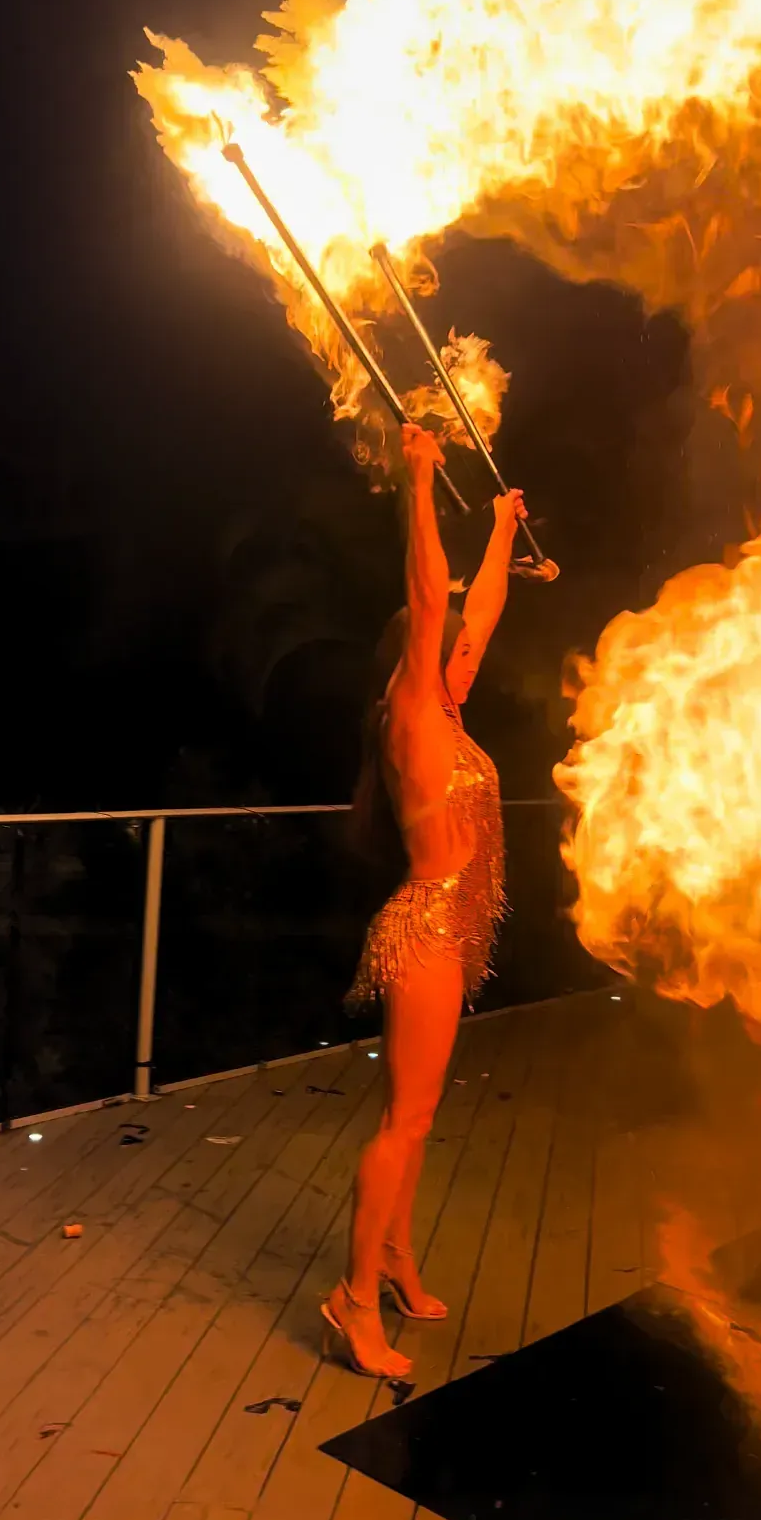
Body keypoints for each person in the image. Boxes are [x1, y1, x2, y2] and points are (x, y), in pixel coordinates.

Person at [321, 422, 527, 1378]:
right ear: (415, 651)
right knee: (404, 1120)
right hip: (428, 928)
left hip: (454, 929)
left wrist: (499, 526)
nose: (461, 644)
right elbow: (426, 590)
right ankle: (352, 1301)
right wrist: (417, 477)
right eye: (441, 635)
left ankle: (396, 1261)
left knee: (422, 1114)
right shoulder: (409, 712)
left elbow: (476, 615)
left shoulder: (448, 706)